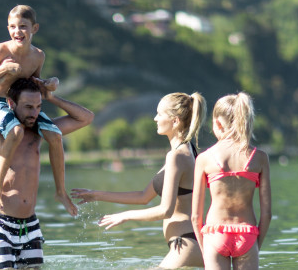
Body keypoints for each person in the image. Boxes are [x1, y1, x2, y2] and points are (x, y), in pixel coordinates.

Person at [0, 77, 94, 269]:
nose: (35, 113)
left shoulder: (39, 131)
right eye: (28, 107)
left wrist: (51, 97)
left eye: (38, 106)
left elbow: (85, 118)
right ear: (11, 103)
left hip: (29, 225)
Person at [70, 92, 207, 268]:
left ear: (175, 121)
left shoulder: (177, 156)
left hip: (185, 246)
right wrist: (97, 195)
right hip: (187, 244)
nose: (155, 118)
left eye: (160, 114)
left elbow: (166, 210)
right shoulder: (186, 151)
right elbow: (143, 196)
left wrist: (125, 216)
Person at [0, 5, 76, 216]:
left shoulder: (38, 56)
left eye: (23, 26)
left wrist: (49, 83)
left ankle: (60, 192)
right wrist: (3, 69)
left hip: (19, 103)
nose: (17, 31)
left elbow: (33, 84)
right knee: (17, 132)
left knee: (55, 136)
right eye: (12, 27)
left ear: (34, 28)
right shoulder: (1, 50)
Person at [191, 92, 272, 270]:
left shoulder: (204, 159)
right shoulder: (259, 158)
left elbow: (196, 216)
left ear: (218, 123)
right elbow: (267, 214)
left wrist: (205, 249)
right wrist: (256, 244)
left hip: (215, 232)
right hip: (247, 233)